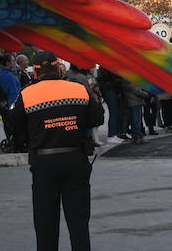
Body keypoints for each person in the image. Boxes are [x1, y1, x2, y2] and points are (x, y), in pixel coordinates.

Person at [11, 51, 104, 251]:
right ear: (58, 67)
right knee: (78, 221)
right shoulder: (78, 89)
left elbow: (15, 126)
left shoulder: (26, 94)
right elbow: (97, 119)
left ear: (36, 72)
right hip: (75, 159)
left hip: (43, 163)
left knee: (45, 222)